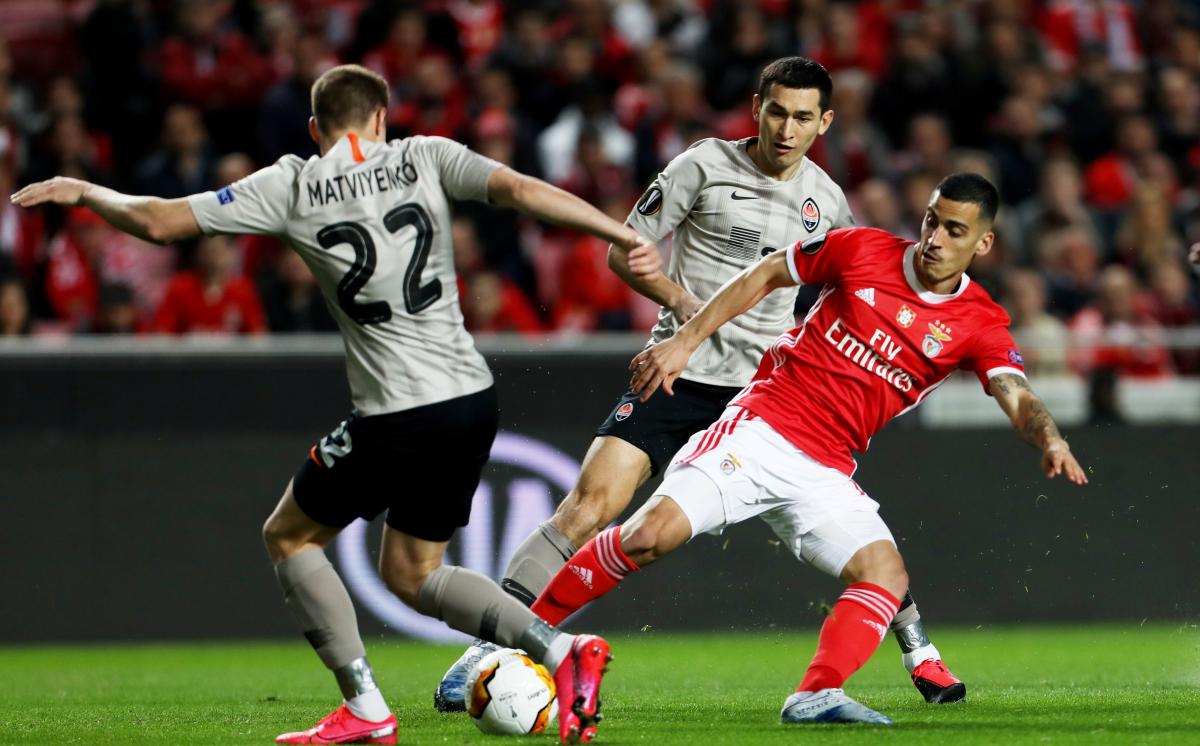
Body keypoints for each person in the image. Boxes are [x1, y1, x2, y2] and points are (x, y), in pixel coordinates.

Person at [11, 64, 659, 746]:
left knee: (288, 536)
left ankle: (367, 708)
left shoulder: (293, 183)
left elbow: (160, 221)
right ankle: (562, 651)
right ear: (382, 118)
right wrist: (620, 235)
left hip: (399, 409)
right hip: (471, 399)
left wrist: (88, 191)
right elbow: (522, 190)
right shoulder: (425, 154)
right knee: (413, 573)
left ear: (315, 128)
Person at [437, 56, 966, 711]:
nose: (787, 129)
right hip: (678, 373)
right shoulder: (702, 165)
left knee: (852, 523)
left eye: (803, 117)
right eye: (777, 112)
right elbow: (622, 250)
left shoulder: (827, 201)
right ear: (757, 108)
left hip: (769, 400)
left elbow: (852, 295)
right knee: (589, 505)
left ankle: (919, 649)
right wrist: (682, 305)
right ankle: (485, 649)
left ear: (825, 123)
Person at [530, 172, 1088, 725]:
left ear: (984, 243)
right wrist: (685, 339)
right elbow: (767, 272)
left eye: (955, 231)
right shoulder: (862, 249)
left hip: (826, 471)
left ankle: (815, 695)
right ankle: (519, 637)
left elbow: (1016, 393)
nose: (935, 240)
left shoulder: (979, 322)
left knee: (885, 574)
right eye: (931, 222)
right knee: (647, 536)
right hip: (760, 429)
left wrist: (1050, 436)